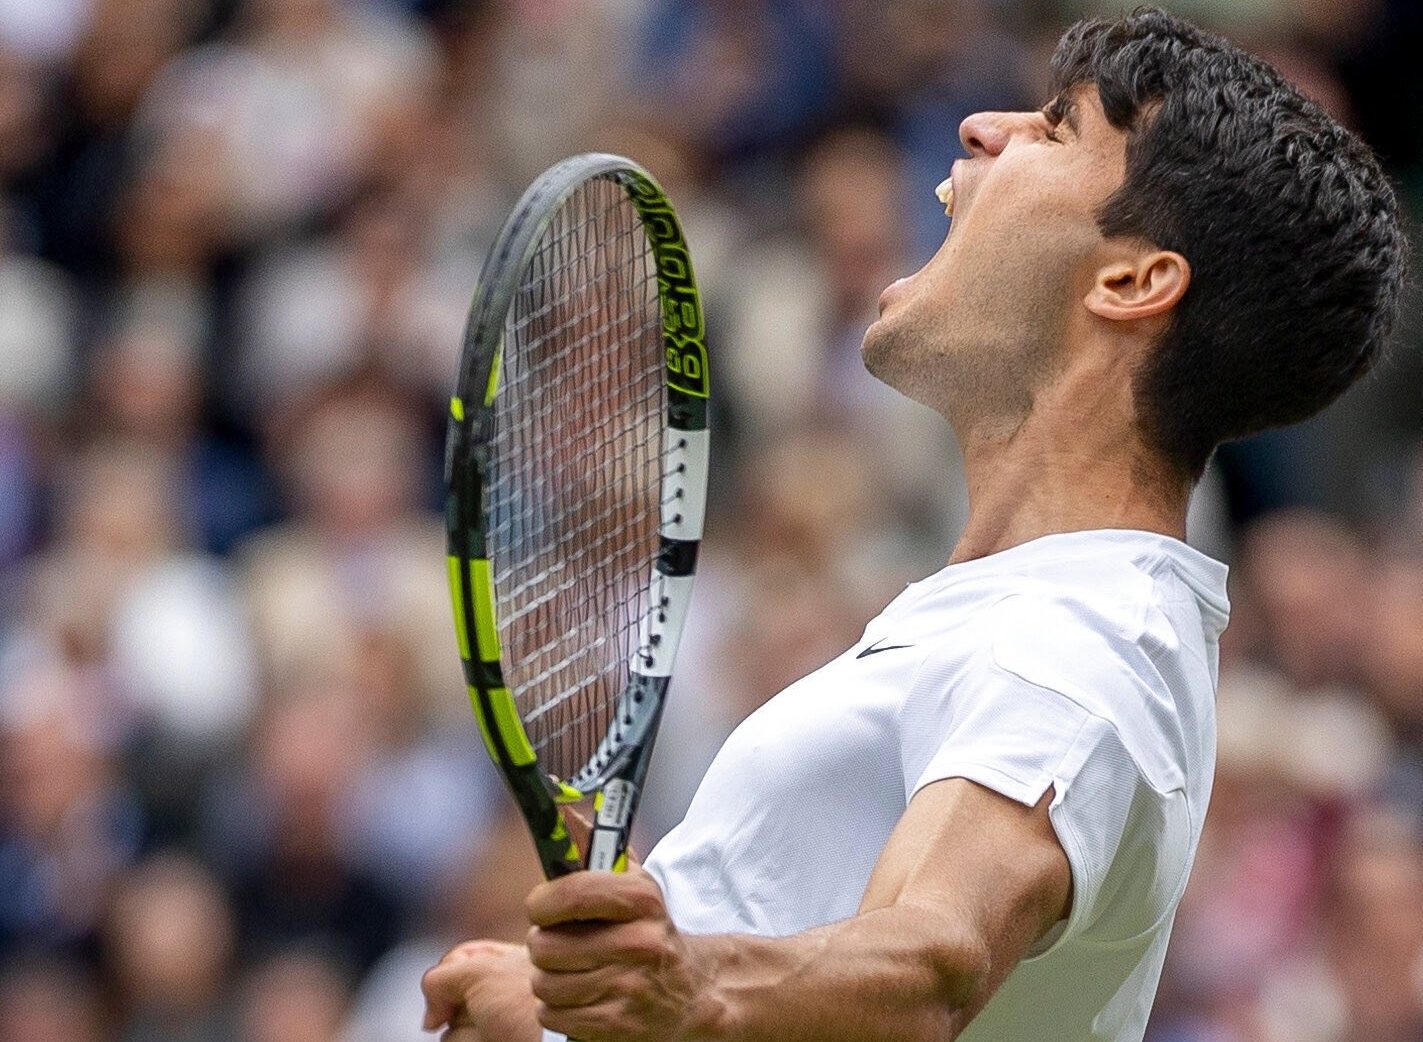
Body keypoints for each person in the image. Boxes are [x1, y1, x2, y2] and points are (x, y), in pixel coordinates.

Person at [420, 8, 1407, 1042]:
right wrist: (561, 1011)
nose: (983, 126)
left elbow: (933, 957)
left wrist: (692, 985)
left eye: (1057, 127)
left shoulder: (1080, 639)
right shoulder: (1037, 613)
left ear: (1130, 281)